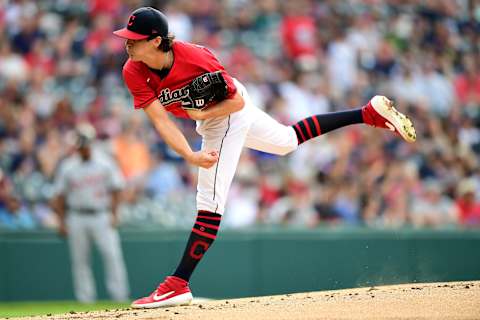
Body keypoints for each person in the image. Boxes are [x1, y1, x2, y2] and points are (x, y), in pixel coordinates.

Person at [113, 7, 416, 308]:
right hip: (210, 117)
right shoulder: (133, 69)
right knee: (286, 141)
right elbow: (161, 121)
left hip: (226, 112)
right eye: (127, 38)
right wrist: (189, 154)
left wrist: (203, 114)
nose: (128, 43)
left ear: (156, 40)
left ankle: (177, 283)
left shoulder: (194, 57)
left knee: (210, 201)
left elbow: (236, 102)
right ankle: (367, 113)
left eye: (134, 38)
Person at [52, 124, 129, 303]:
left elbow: (117, 189)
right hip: (77, 216)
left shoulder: (105, 162)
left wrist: (115, 213)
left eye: (85, 145)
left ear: (91, 143)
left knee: (112, 256)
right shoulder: (68, 166)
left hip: (101, 214)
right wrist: (61, 221)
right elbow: (59, 196)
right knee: (80, 261)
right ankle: (85, 300)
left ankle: (120, 296)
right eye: (80, 146)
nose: (83, 148)